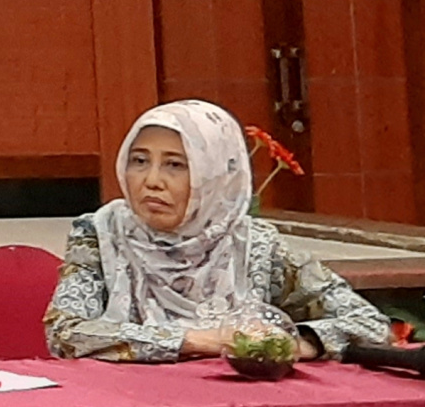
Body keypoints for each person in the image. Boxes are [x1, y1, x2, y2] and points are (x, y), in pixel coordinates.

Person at [44, 100, 389, 361]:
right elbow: (66, 333)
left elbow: (370, 325)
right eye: (139, 161)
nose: (151, 181)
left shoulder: (255, 246)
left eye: (175, 165)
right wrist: (200, 340)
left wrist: (300, 343)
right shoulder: (101, 234)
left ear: (215, 176)